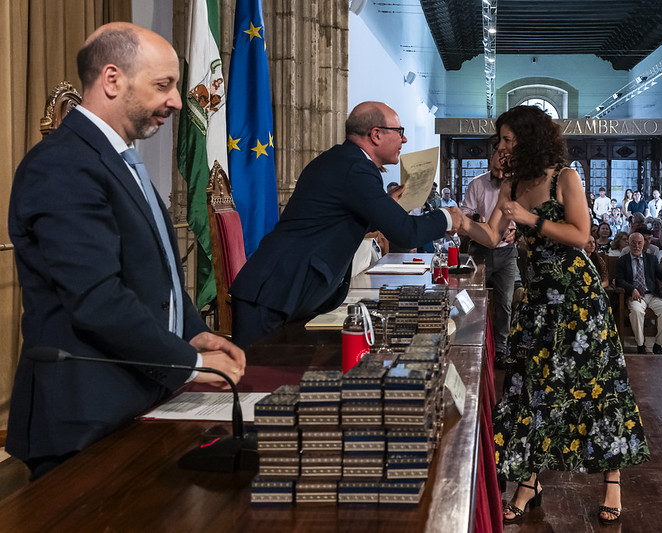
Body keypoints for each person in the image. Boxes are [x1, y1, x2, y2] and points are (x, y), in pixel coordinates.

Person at [6, 23, 246, 480]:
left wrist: (191, 330)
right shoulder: (62, 164)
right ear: (113, 80)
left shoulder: (116, 157)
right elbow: (97, 299)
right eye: (164, 85)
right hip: (84, 413)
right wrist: (190, 363)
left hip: (134, 397)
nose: (177, 101)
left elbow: (153, 268)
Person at [455, 105, 649, 526]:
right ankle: (529, 481)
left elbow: (581, 236)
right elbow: (491, 235)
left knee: (595, 386)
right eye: (500, 140)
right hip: (540, 303)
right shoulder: (510, 183)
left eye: (508, 139)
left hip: (579, 301)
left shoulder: (565, 177)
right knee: (531, 389)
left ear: (529, 138)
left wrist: (530, 219)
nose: (502, 147)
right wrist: (460, 223)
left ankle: (612, 479)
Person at [229, 101, 461, 347]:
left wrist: (384, 206)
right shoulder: (356, 168)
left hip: (285, 292)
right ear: (376, 134)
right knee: (255, 379)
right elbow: (406, 233)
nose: (404, 140)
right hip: (277, 293)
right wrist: (447, 216)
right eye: (400, 132)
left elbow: (338, 217)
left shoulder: (346, 161)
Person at [460, 149, 518, 362]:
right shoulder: (477, 183)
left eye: (505, 171)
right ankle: (472, 342)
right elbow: (465, 213)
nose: (501, 175)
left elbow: (524, 216)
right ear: (490, 159)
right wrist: (476, 217)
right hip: (480, 250)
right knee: (472, 300)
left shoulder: (516, 186)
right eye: (496, 170)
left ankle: (501, 349)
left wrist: (516, 231)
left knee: (504, 302)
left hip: (506, 252)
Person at [615, 233, 662, 354]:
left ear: (644, 244)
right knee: (636, 312)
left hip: (652, 294)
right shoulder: (623, 260)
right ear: (629, 244)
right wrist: (632, 289)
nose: (636, 246)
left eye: (639, 243)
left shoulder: (651, 259)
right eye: (633, 243)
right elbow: (619, 280)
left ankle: (658, 344)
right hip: (634, 296)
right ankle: (640, 344)